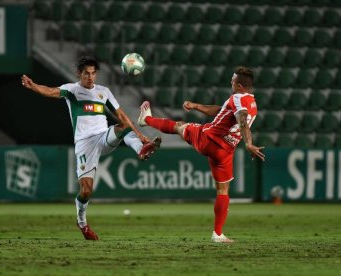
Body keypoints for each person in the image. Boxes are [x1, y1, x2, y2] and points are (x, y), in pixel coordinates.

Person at [21, 56, 161, 240]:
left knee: (123, 124)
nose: (90, 77)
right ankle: (82, 223)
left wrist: (141, 136)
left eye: (93, 73)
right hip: (85, 144)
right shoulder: (72, 90)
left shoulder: (104, 92)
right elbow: (50, 91)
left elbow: (122, 115)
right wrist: (34, 86)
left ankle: (140, 150)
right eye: (86, 73)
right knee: (86, 190)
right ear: (79, 73)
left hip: (103, 137)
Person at [138, 66, 265, 243]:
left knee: (179, 126)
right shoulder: (252, 102)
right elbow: (222, 111)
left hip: (209, 139)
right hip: (226, 151)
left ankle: (146, 120)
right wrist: (197, 106)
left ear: (240, 86)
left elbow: (241, 119)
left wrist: (249, 143)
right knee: (223, 191)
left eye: (233, 81)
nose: (231, 82)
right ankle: (218, 234)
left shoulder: (237, 98)